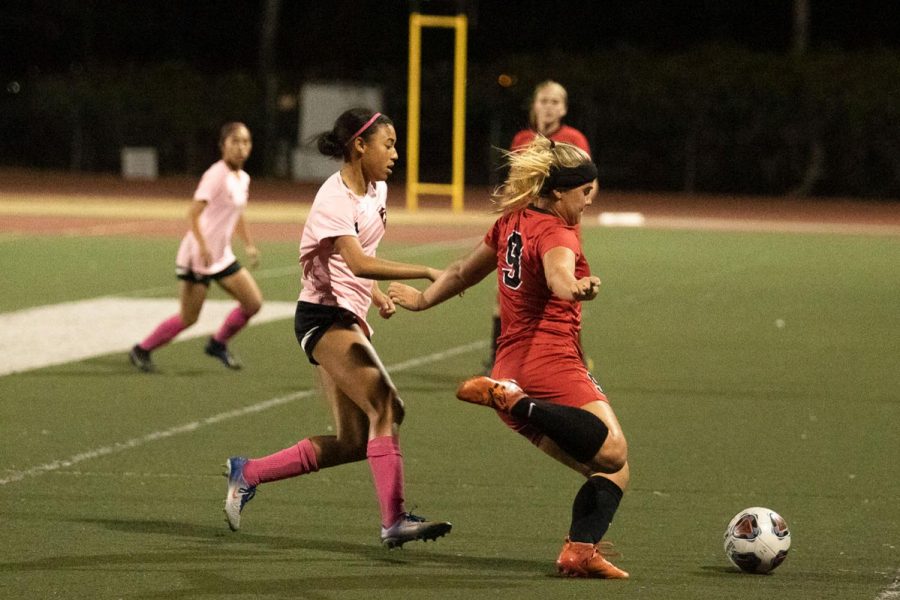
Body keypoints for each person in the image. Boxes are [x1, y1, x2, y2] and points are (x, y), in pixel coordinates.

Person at [388, 137, 630, 578]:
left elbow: (463, 271)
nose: (588, 202)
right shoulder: (558, 230)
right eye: (585, 193)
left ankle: (579, 552)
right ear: (559, 192)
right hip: (549, 362)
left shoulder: (512, 220)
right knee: (612, 453)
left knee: (612, 473)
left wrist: (423, 299)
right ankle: (513, 399)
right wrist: (572, 287)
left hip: (510, 365)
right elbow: (558, 272)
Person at [222, 108, 452, 549]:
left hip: (346, 315)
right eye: (389, 144)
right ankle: (394, 521)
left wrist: (375, 296)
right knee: (385, 405)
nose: (396, 154)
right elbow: (359, 260)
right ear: (359, 146)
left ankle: (246, 473)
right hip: (323, 319)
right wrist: (425, 270)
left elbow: (353, 261)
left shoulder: (377, 189)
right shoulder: (334, 197)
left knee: (352, 442)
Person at [129, 122, 262, 372]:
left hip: (221, 256)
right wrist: (202, 246)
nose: (241, 147)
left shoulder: (243, 178)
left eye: (246, 142)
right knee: (189, 318)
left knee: (253, 303)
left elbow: (237, 214)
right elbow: (192, 213)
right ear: (223, 145)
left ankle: (217, 343)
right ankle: (141, 349)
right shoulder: (216, 175)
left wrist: (249, 245)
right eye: (235, 141)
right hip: (197, 256)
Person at [486, 80, 591, 372]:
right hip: (524, 229)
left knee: (564, 300)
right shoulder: (522, 139)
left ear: (565, 108)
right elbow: (514, 185)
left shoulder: (573, 139)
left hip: (558, 232)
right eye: (544, 100)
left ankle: (575, 361)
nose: (548, 107)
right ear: (534, 105)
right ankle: (497, 362)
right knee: (507, 294)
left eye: (555, 102)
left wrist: (569, 209)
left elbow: (588, 185)